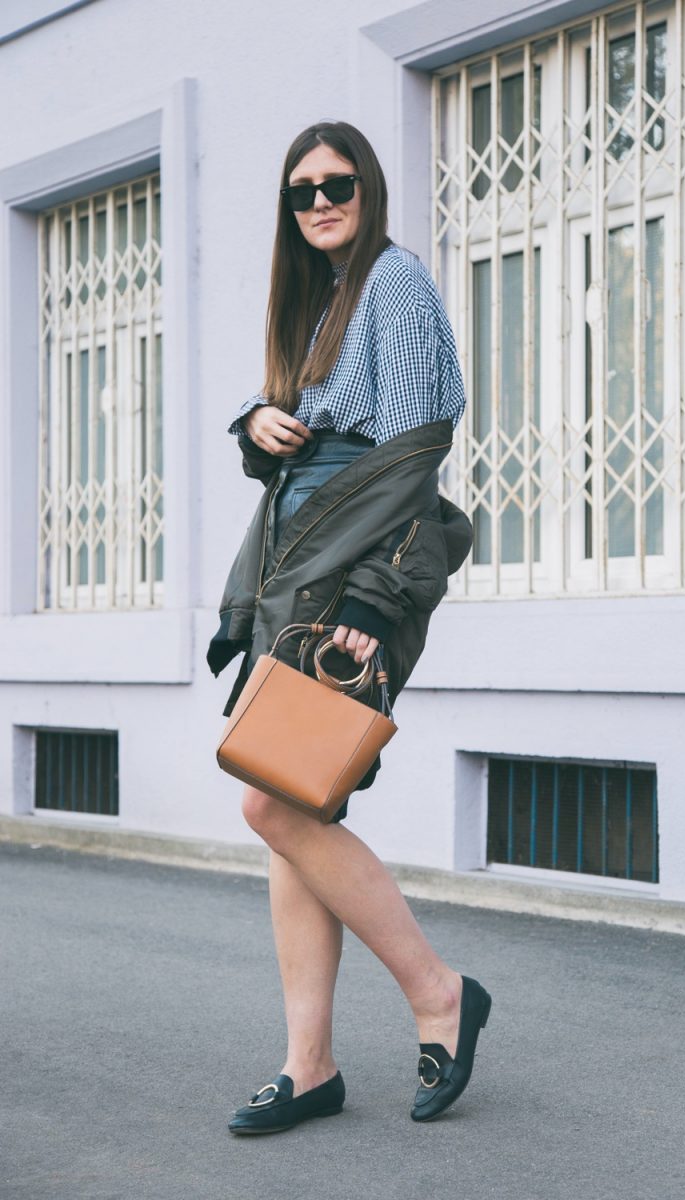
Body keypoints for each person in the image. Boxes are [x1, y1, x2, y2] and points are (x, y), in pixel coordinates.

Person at [207, 121, 492, 1133]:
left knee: (275, 807)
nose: (319, 200)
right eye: (301, 190)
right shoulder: (320, 300)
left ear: (366, 188)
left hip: (351, 574)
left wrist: (378, 599)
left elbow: (411, 450)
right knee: (296, 816)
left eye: (336, 184)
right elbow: (317, 423)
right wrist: (256, 420)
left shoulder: (396, 282)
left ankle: (438, 993)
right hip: (296, 569)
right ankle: (310, 1064)